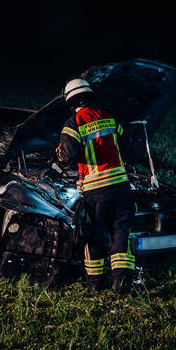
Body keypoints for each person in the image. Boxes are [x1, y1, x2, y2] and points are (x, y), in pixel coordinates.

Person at [54, 77, 135, 292]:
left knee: (93, 235)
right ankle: (121, 281)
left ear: (71, 102)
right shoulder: (109, 118)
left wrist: (58, 155)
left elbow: (68, 154)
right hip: (120, 187)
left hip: (94, 191)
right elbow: (125, 147)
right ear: (89, 96)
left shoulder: (74, 123)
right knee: (120, 232)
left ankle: (95, 284)